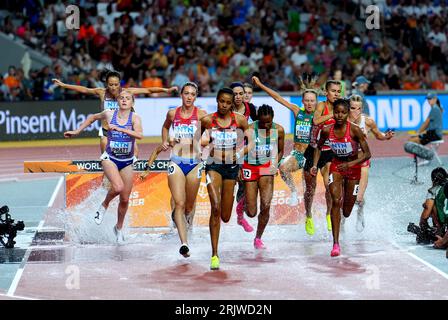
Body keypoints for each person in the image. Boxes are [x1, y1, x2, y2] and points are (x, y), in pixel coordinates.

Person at [64, 90, 143, 244]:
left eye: (128, 98)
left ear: (132, 102)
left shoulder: (135, 118)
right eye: (121, 98)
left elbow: (140, 135)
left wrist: (120, 129)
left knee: (125, 199)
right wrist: (77, 131)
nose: (124, 100)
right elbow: (93, 117)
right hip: (110, 158)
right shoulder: (109, 114)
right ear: (117, 101)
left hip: (127, 160)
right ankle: (104, 205)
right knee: (118, 187)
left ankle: (118, 229)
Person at [252, 74, 319, 235]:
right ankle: (294, 192)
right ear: (303, 101)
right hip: (298, 155)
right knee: (282, 167)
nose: (310, 103)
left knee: (309, 191)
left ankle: (310, 215)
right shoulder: (298, 112)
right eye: (307, 100)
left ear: (317, 102)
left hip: (314, 155)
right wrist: (260, 84)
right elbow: (277, 98)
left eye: (312, 101)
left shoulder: (319, 116)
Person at [53, 69, 177, 154]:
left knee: (135, 153)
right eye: (110, 84)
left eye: (116, 84)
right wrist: (64, 85)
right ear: (107, 84)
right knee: (105, 152)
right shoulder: (102, 92)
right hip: (107, 131)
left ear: (119, 84)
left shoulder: (127, 93)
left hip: (125, 130)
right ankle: (106, 176)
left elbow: (148, 90)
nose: (113, 87)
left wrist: (166, 90)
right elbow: (84, 90)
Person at [311, 98, 371, 257]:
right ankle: (336, 244)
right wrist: (315, 165)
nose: (339, 115)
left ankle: (353, 210)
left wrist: (351, 165)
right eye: (336, 112)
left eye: (343, 113)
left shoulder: (355, 130)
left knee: (346, 211)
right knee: (335, 201)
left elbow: (367, 154)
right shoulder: (326, 130)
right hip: (336, 166)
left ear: (347, 114)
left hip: (353, 168)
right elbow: (318, 147)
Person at [199, 87, 249, 270]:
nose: (225, 105)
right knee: (215, 207)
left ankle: (227, 217)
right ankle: (214, 254)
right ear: (217, 101)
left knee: (225, 216)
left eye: (228, 102)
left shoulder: (240, 120)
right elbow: (197, 140)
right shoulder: (207, 120)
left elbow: (250, 141)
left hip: (231, 168)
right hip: (213, 165)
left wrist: (241, 153)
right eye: (222, 101)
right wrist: (198, 151)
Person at [157, 82, 207, 257]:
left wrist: (196, 141)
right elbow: (165, 127)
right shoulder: (173, 113)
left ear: (196, 96)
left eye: (192, 94)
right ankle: (184, 243)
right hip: (176, 161)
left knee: (189, 205)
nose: (189, 97)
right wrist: (166, 140)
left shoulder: (201, 115)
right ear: (181, 95)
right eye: (186, 93)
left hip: (194, 163)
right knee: (179, 203)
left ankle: (188, 228)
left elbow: (208, 137)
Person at [348, 94, 394, 232]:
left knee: (359, 197)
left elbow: (378, 135)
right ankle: (341, 225)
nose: (356, 112)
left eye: (359, 108)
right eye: (352, 108)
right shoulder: (342, 120)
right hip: (347, 162)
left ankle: (360, 214)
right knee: (345, 196)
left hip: (363, 161)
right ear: (348, 108)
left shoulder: (368, 121)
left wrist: (386, 137)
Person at [242, 104, 285, 249]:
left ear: (273, 118)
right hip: (250, 166)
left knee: (266, 205)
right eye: (262, 122)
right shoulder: (249, 129)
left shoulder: (278, 130)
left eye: (269, 122)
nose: (266, 125)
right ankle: (243, 203)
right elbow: (239, 148)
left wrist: (275, 164)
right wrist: (238, 168)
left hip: (266, 167)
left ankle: (258, 238)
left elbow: (280, 151)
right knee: (251, 212)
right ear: (258, 119)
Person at [303, 80, 341, 233]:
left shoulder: (341, 108)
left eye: (338, 91)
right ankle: (309, 215)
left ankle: (328, 214)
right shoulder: (321, 106)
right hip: (313, 151)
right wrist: (334, 113)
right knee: (310, 189)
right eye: (333, 91)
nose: (336, 94)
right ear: (326, 93)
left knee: (329, 186)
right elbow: (316, 120)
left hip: (329, 152)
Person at [230, 82, 258, 233]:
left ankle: (240, 217)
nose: (240, 97)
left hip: (246, 152)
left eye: (242, 94)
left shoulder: (250, 108)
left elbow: (259, 126)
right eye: (236, 94)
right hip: (228, 152)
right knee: (230, 187)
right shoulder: (225, 108)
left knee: (244, 185)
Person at [408, 92, 444, 165]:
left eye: (430, 99)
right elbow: (428, 124)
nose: (428, 101)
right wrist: (420, 133)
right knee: (413, 140)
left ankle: (424, 157)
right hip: (433, 133)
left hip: (434, 134)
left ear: (435, 99)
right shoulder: (436, 108)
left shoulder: (434, 109)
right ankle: (423, 157)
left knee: (411, 141)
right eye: (428, 99)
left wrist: (418, 133)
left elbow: (426, 123)